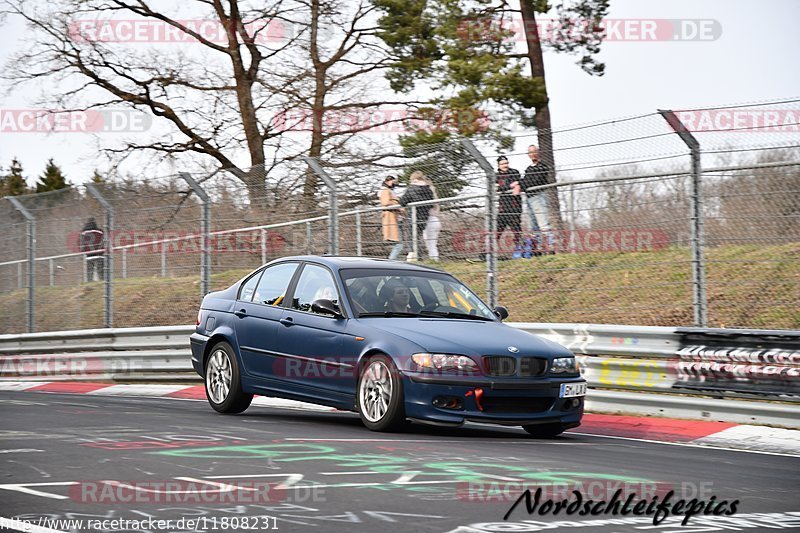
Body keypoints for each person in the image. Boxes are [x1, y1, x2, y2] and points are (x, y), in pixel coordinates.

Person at [513, 145, 555, 253]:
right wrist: (520, 183)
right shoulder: (529, 168)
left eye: (534, 152)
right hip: (529, 198)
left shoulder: (542, 166)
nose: (532, 154)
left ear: (538, 152)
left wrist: (519, 184)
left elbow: (535, 181)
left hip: (538, 197)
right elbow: (526, 180)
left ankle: (551, 247)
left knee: (543, 223)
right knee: (533, 225)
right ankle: (538, 248)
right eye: (530, 152)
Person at [398, 171, 435, 259]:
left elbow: (403, 201)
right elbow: (431, 204)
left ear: (414, 179)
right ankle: (419, 255)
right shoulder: (428, 189)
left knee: (412, 236)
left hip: (414, 215)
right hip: (424, 216)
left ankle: (414, 255)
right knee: (419, 235)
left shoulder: (411, 188)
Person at [495, 155, 523, 255]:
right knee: (497, 230)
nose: (505, 165)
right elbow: (495, 188)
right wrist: (510, 186)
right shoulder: (496, 175)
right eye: (502, 164)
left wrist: (502, 187)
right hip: (503, 207)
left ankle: (519, 250)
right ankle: (492, 251)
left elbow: (519, 182)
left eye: (506, 163)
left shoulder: (514, 172)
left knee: (516, 230)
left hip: (514, 206)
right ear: (498, 165)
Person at [379, 176, 404, 260]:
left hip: (395, 218)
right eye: (393, 182)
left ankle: (392, 261)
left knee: (398, 244)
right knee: (399, 244)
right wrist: (398, 207)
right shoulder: (385, 190)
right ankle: (391, 261)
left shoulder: (389, 191)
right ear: (387, 181)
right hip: (391, 218)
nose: (394, 184)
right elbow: (386, 202)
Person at [421, 175, 441, 261]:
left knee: (431, 243)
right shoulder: (433, 192)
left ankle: (434, 260)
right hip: (435, 220)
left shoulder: (428, 192)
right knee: (431, 243)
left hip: (431, 220)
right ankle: (433, 259)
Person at [79, 217, 105, 282]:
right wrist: (101, 251)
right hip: (99, 254)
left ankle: (90, 283)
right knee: (101, 272)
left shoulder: (84, 232)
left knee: (90, 273)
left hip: (89, 255)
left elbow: (82, 244)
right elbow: (103, 241)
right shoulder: (100, 232)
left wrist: (83, 251)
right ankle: (103, 283)